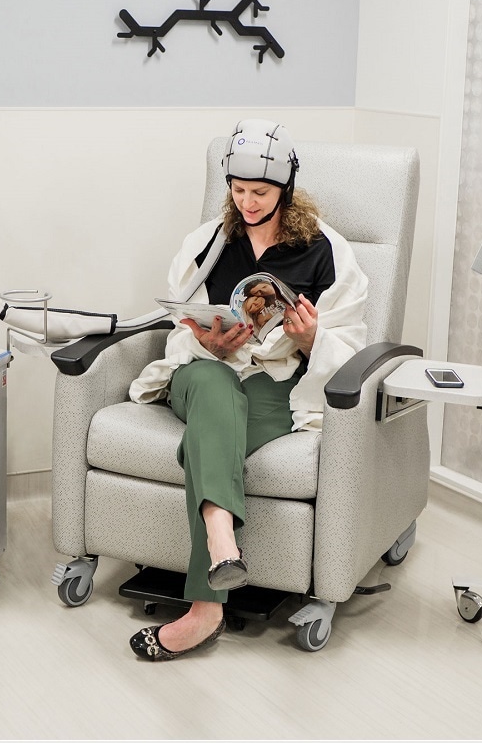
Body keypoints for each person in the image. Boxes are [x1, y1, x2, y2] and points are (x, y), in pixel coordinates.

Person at [127, 119, 369, 661]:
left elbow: (349, 338)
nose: (248, 202)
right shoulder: (208, 243)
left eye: (260, 193)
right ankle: (217, 558)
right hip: (204, 370)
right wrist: (209, 345)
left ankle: (209, 596)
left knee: (212, 439)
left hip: (273, 382)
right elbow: (178, 319)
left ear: (286, 189)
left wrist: (311, 339)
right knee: (214, 388)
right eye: (238, 191)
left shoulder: (326, 250)